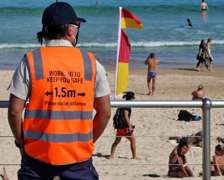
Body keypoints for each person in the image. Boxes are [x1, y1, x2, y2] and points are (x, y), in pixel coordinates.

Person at [7, 2, 111, 179]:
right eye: (77, 27)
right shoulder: (91, 63)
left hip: (36, 159)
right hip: (78, 161)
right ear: (70, 30)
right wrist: (86, 142)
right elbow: (105, 112)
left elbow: (14, 112)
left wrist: (21, 143)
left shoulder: (31, 61)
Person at [110, 91, 137, 159]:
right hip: (124, 127)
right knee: (133, 140)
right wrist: (130, 126)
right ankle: (134, 157)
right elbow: (126, 117)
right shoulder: (127, 106)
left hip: (119, 126)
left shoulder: (122, 104)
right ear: (131, 98)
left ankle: (111, 156)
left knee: (116, 141)